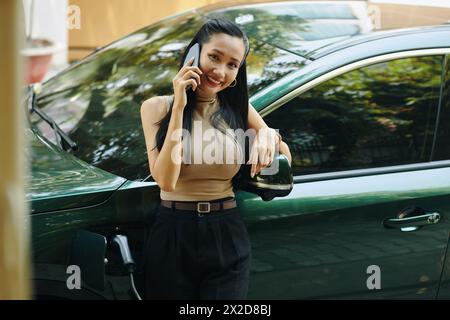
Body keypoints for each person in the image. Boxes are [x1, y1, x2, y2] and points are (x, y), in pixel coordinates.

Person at [140, 18, 292, 300]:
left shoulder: (237, 108)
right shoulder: (156, 108)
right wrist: (180, 106)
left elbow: (283, 160)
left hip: (226, 231)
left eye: (232, 64)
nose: (221, 71)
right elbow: (166, 180)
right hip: (173, 233)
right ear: (193, 55)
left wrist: (269, 135)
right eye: (214, 57)